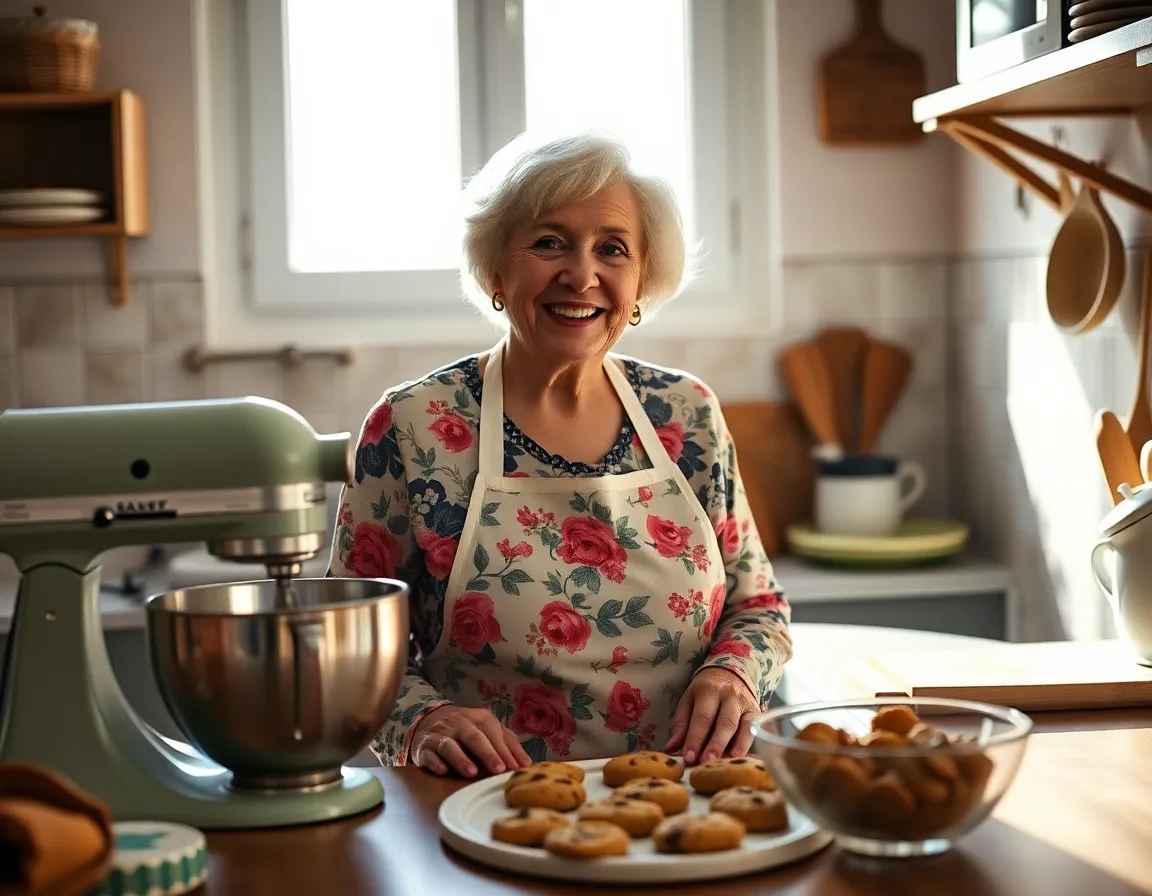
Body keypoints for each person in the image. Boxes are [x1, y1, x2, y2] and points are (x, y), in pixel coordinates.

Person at [328, 130, 792, 779]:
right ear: (495, 268)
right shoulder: (414, 428)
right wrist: (425, 718)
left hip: (690, 799)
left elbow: (759, 607)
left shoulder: (687, 415)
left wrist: (733, 675)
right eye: (549, 242)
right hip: (491, 811)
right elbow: (345, 650)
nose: (582, 274)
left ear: (640, 280)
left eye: (612, 248)